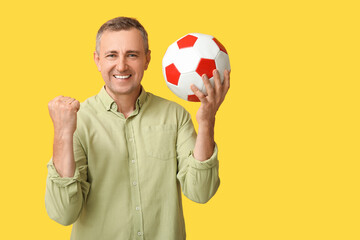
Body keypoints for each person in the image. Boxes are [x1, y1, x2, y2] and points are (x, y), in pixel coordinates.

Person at [45, 16, 230, 240]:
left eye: (132, 55)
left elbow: (201, 192)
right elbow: (63, 213)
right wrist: (63, 134)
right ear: (97, 60)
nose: (121, 65)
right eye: (111, 55)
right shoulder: (77, 121)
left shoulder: (175, 116)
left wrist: (207, 121)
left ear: (147, 59)